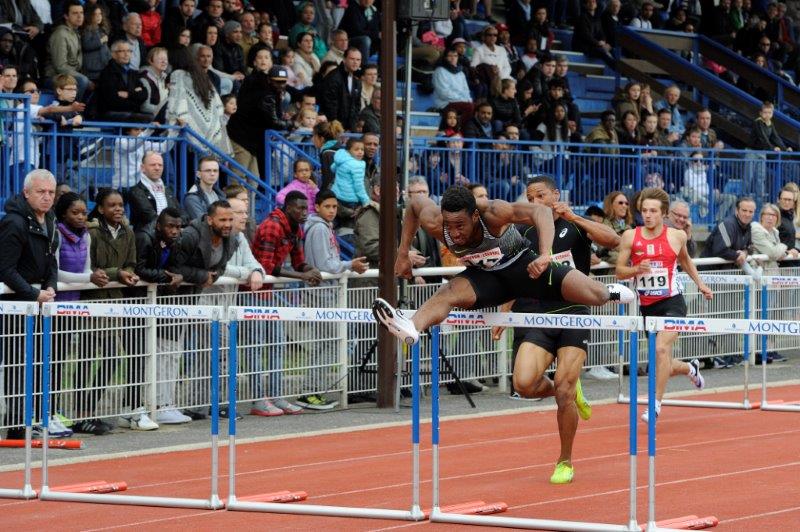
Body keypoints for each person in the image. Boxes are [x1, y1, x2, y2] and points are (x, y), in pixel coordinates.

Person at [372, 186, 635, 346]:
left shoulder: (493, 212)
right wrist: (402, 252)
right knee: (448, 293)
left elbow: (541, 213)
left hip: (524, 266)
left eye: (460, 225)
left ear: (475, 215)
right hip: (486, 277)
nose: (455, 233)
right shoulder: (436, 222)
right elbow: (414, 206)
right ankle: (411, 327)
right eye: (449, 225)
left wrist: (544, 254)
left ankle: (609, 291)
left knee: (596, 296)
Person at [491, 175, 620, 483]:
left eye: (539, 196)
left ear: (555, 196)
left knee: (563, 389)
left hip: (573, 313)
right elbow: (511, 275)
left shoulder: (573, 224)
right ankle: (568, 390)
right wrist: (504, 310)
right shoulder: (520, 231)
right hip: (535, 314)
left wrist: (574, 216)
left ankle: (565, 460)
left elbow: (612, 240)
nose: (533, 201)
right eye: (528, 197)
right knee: (523, 384)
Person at [615, 187, 713, 423]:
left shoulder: (677, 236)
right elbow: (619, 271)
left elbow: (686, 262)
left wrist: (700, 284)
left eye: (653, 211)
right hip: (648, 306)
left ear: (664, 213)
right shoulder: (631, 236)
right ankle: (691, 369)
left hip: (673, 302)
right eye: (644, 211)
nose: (647, 215)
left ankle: (655, 404)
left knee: (660, 350)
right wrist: (637, 269)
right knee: (663, 362)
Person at [79, 188, 156, 432]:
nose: (118, 209)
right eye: (112, 205)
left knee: (112, 358)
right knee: (86, 359)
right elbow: (88, 266)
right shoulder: (91, 232)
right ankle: (83, 414)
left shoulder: (128, 231)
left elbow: (131, 262)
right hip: (93, 302)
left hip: (116, 303)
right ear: (101, 209)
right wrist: (116, 273)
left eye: (121, 205)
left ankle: (91, 406)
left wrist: (128, 273)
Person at [251, 191, 322, 415]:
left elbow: (299, 261)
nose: (304, 212)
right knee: (255, 346)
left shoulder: (295, 228)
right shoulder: (272, 226)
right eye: (299, 208)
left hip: (268, 294)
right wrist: (302, 276)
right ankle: (258, 399)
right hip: (251, 294)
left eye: (306, 208)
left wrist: (309, 269)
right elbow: (266, 267)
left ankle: (277, 396)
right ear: (287, 207)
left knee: (277, 343)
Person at [0, 170, 58, 438]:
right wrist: (33, 293)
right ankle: (15, 424)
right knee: (15, 364)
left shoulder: (51, 220)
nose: (47, 197)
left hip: (35, 302)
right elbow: (5, 269)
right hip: (12, 305)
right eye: (41, 192)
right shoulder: (14, 222)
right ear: (26, 193)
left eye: (51, 193)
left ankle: (27, 419)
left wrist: (50, 287)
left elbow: (51, 261)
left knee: (32, 363)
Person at [300, 189, 367, 409]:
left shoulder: (323, 227)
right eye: (327, 206)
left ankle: (313, 390)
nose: (331, 211)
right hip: (321, 294)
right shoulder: (318, 228)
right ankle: (311, 390)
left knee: (326, 343)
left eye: (335, 207)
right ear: (317, 207)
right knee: (328, 343)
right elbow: (325, 265)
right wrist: (350, 265)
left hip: (324, 292)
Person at [174, 200, 238, 419]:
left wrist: (213, 275)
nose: (228, 224)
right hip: (179, 299)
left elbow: (220, 265)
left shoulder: (232, 239)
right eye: (223, 220)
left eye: (230, 219)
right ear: (210, 220)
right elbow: (174, 266)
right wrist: (202, 276)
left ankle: (197, 404)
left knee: (214, 348)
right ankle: (165, 405)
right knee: (172, 352)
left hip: (205, 301)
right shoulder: (191, 235)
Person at [134, 207, 192, 425]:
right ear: (158, 225)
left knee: (166, 354)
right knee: (140, 357)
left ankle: (161, 403)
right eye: (170, 226)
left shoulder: (175, 242)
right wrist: (166, 277)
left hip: (158, 303)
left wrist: (174, 276)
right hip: (137, 303)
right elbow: (140, 270)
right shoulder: (145, 238)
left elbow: (176, 268)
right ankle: (139, 407)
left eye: (178, 227)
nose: (175, 231)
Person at [128, 151, 185, 231]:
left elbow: (182, 214)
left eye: (160, 165)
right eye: (153, 165)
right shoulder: (136, 191)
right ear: (142, 168)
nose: (157, 168)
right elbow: (150, 217)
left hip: (170, 234)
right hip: (148, 237)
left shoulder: (167, 190)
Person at [45, 0, 90, 101]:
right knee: (83, 80)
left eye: (81, 13)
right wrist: (85, 79)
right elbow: (60, 66)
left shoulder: (75, 32)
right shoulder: (60, 34)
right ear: (66, 16)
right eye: (75, 13)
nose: (79, 16)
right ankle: (70, 110)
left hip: (68, 75)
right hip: (54, 77)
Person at [319, 47, 361, 131]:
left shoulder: (357, 81)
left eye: (358, 60)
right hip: (333, 130)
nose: (355, 62)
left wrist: (351, 128)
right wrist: (338, 130)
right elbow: (330, 107)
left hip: (348, 130)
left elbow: (356, 106)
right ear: (344, 59)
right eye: (352, 59)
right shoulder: (333, 78)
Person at [184, 155, 225, 220]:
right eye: (208, 170)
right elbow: (203, 223)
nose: (212, 174)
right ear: (198, 174)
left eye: (215, 170)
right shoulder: (192, 198)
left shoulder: (221, 194)